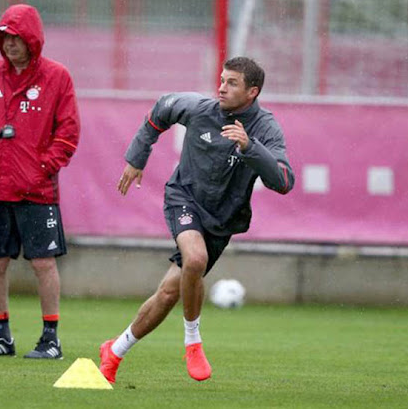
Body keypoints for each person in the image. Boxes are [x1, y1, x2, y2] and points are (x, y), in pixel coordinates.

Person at [98, 57, 294, 383]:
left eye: (232, 83)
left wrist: (250, 146)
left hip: (222, 220)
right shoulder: (198, 108)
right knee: (196, 259)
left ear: (252, 92)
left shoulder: (265, 128)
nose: (221, 87)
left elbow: (284, 181)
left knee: (167, 293)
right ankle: (193, 341)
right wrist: (137, 157)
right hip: (184, 198)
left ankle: (114, 351)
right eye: (222, 79)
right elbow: (161, 110)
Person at [0, 4, 80, 359]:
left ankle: (51, 339)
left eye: (16, 37)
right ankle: (1, 336)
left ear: (32, 39)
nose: (9, 44)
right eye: (4, 37)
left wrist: (43, 167)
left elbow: (69, 132)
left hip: (36, 190)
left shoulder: (57, 76)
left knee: (43, 263)